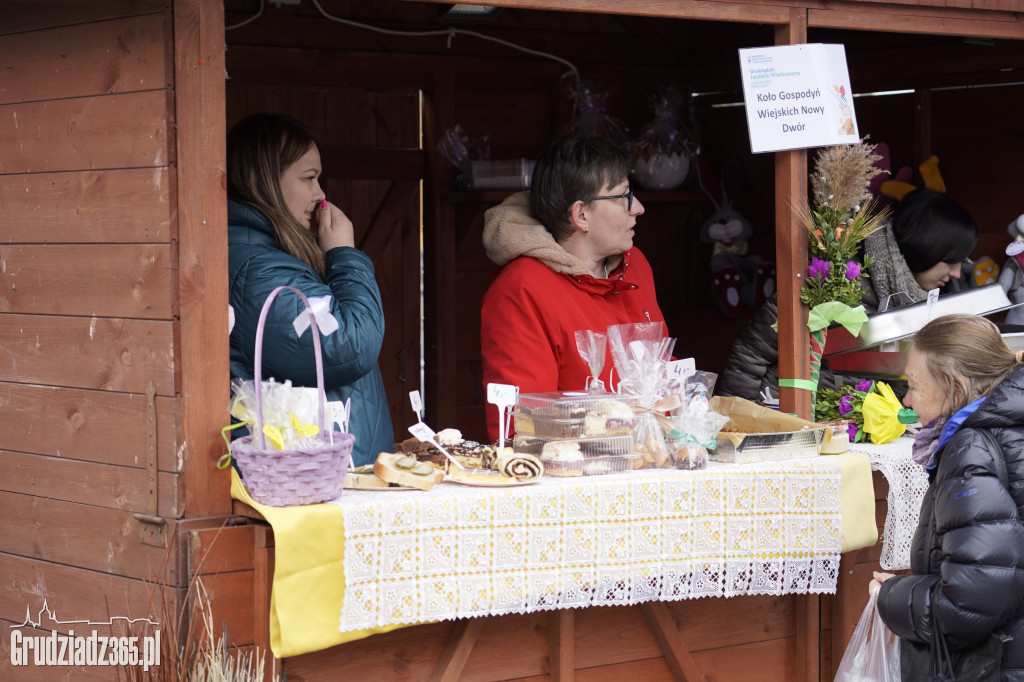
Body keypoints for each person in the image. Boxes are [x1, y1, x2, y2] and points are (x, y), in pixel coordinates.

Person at [227, 112, 394, 466]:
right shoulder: (259, 273)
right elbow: (348, 345)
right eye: (309, 178)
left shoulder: (268, 258)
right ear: (265, 181)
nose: (320, 194)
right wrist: (344, 254)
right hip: (306, 480)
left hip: (319, 475)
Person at [480, 132, 667, 442]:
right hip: (578, 468)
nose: (638, 208)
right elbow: (527, 431)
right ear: (581, 215)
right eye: (623, 197)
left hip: (655, 457)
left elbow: (662, 378)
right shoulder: (521, 290)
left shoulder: (636, 264)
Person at [870, 314, 1024, 677]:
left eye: (914, 386)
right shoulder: (1008, 426)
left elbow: (969, 606)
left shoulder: (971, 449)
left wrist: (890, 596)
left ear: (955, 389)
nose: (907, 399)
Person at [718, 188, 979, 401]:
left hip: (858, 427)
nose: (957, 272)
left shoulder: (935, 300)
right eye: (950, 260)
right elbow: (752, 352)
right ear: (924, 248)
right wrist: (735, 421)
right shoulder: (836, 276)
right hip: (786, 413)